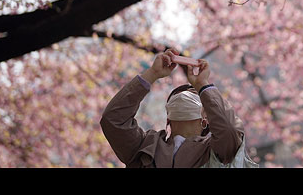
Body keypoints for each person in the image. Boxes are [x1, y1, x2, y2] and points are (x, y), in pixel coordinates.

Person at [100, 48, 247, 168]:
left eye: (195, 95)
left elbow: (230, 130)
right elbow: (113, 120)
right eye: (178, 95)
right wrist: (152, 74)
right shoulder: (144, 146)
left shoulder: (216, 151)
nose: (184, 95)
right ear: (168, 116)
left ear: (206, 119)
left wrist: (203, 85)